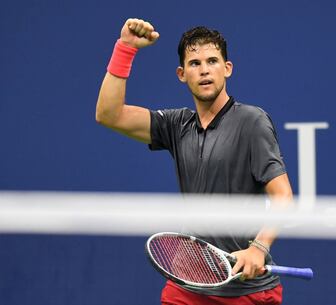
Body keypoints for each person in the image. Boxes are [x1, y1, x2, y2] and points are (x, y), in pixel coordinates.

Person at [96, 18, 293, 305]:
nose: (204, 70)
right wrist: (125, 47)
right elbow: (108, 114)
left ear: (227, 69)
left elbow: (283, 197)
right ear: (181, 73)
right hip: (189, 283)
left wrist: (258, 249)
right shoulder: (177, 125)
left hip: (246, 290)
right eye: (194, 63)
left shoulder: (252, 121)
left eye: (212, 61)